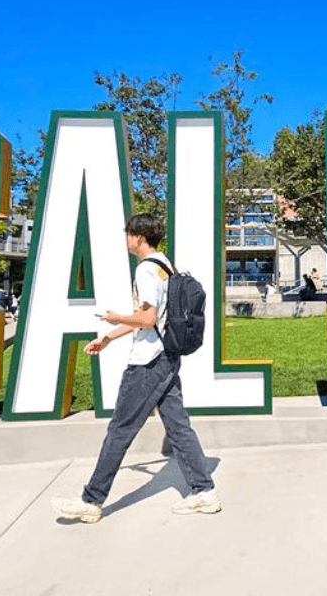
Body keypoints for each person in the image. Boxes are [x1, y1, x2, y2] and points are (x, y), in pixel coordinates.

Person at [51, 212, 220, 523]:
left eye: (128, 233)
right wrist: (110, 337)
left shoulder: (145, 270)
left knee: (120, 430)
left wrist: (116, 318)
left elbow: (146, 319)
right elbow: (150, 317)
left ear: (139, 236)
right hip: (167, 357)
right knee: (179, 427)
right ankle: (203, 492)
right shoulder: (165, 265)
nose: (126, 238)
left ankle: (91, 500)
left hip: (147, 363)